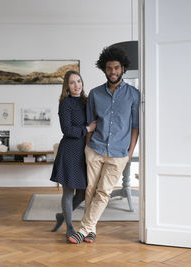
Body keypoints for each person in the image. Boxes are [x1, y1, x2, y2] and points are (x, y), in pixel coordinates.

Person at [68, 46, 140, 244]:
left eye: (117, 68)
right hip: (95, 149)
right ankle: (91, 229)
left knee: (104, 191)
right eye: (109, 68)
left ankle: (83, 230)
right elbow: (90, 124)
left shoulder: (134, 95)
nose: (113, 72)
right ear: (104, 69)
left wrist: (130, 152)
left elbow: (135, 127)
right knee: (90, 189)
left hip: (119, 152)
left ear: (123, 69)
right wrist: (86, 149)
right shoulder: (94, 94)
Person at [50, 70, 97, 238]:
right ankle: (69, 227)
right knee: (68, 192)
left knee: (83, 193)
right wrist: (87, 129)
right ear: (67, 87)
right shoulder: (65, 103)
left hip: (86, 151)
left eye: (79, 81)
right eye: (72, 82)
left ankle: (62, 215)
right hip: (69, 150)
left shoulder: (87, 101)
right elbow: (67, 129)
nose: (77, 85)